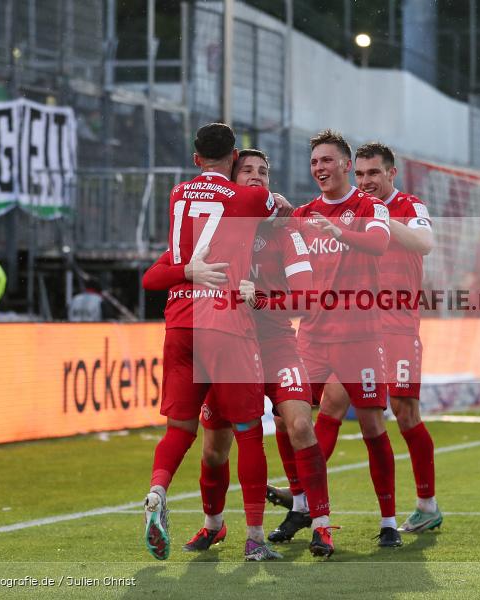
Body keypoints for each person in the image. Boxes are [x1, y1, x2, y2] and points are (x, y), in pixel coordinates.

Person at [143, 149, 337, 558]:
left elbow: (307, 300)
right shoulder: (214, 231)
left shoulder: (285, 230)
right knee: (214, 449)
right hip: (228, 343)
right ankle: (214, 525)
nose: (255, 177)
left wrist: (263, 298)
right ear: (231, 179)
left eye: (263, 172)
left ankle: (320, 523)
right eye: (246, 170)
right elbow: (157, 272)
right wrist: (187, 271)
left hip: (276, 345)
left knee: (300, 424)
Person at [141, 123, 287, 562]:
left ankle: (157, 490)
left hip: (180, 325)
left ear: (194, 158)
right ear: (235, 158)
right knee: (247, 435)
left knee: (180, 430)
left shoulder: (177, 196)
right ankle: (256, 537)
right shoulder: (248, 199)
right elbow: (275, 207)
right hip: (225, 323)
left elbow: (158, 272)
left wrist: (185, 271)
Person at [290, 142, 440, 534]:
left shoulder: (409, 206)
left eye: (373, 173)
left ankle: (427, 503)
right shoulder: (347, 210)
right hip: (359, 325)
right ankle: (306, 500)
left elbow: (425, 244)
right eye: (359, 175)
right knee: (331, 408)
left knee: (406, 413)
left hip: (399, 324)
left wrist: (374, 217)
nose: (366, 181)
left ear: (391, 174)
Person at [289, 129, 401, 547]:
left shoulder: (369, 206)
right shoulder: (301, 214)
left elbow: (378, 244)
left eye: (327, 161)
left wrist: (338, 234)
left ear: (346, 165)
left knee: (373, 427)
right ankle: (312, 515)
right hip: (313, 337)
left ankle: (389, 521)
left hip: (360, 337)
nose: (320, 168)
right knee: (294, 419)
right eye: (314, 161)